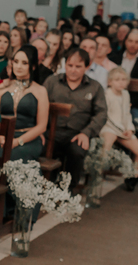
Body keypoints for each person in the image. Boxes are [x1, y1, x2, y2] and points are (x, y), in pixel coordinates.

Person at [43, 48, 106, 189]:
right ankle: (44, 188)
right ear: (65, 65)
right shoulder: (52, 82)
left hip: (77, 134)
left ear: (87, 67)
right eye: (70, 65)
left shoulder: (95, 87)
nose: (73, 70)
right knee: (39, 149)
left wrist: (86, 133)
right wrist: (40, 130)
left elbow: (101, 114)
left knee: (76, 152)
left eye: (78, 66)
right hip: (50, 131)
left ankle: (69, 189)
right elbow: (39, 106)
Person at [0, 45, 48, 162]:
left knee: (10, 157)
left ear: (33, 66)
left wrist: (17, 141)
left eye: (24, 63)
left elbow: (42, 126)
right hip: (2, 137)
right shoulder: (2, 87)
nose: (18, 66)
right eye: (16, 62)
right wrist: (0, 137)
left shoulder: (40, 91)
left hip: (29, 139)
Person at [101, 66, 138, 191]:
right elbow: (106, 116)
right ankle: (97, 176)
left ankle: (133, 176)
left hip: (123, 129)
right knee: (106, 146)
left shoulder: (125, 94)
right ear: (110, 82)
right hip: (109, 127)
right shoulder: (107, 94)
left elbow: (127, 114)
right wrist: (120, 129)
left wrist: (129, 129)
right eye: (117, 80)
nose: (121, 82)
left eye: (124, 80)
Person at [108, 29, 138, 112]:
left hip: (135, 105)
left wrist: (130, 102)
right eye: (130, 41)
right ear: (125, 41)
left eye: (137, 42)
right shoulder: (114, 59)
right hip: (112, 100)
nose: (133, 45)